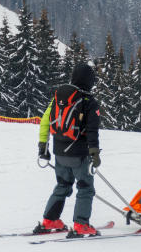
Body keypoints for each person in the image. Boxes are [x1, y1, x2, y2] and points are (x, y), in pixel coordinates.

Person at [35, 61, 102, 237]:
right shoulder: (89, 102)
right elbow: (92, 131)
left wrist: (43, 147)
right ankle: (81, 224)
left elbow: (45, 122)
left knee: (63, 184)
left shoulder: (59, 98)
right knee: (85, 187)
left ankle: (50, 220)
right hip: (79, 154)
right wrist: (94, 153)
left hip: (59, 151)